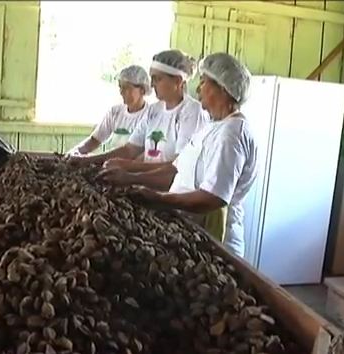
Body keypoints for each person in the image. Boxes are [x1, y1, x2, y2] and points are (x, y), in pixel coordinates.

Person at [102, 53, 258, 258]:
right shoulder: (212, 127)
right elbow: (176, 166)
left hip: (214, 242)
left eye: (204, 82)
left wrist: (159, 199)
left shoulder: (231, 134)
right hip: (192, 232)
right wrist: (131, 178)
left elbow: (212, 199)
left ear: (222, 89)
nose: (198, 89)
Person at [70, 49, 209, 172]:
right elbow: (130, 149)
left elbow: (179, 167)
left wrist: (129, 168)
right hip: (147, 186)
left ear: (178, 81)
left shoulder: (192, 112)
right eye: (152, 79)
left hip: (171, 193)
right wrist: (87, 160)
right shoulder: (154, 111)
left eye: (157, 79)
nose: (152, 84)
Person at [69, 65, 151, 155]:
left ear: (142, 90)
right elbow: (95, 140)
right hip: (110, 163)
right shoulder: (115, 112)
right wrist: (72, 153)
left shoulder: (151, 116)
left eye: (126, 88)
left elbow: (133, 152)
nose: (121, 92)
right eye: (120, 87)